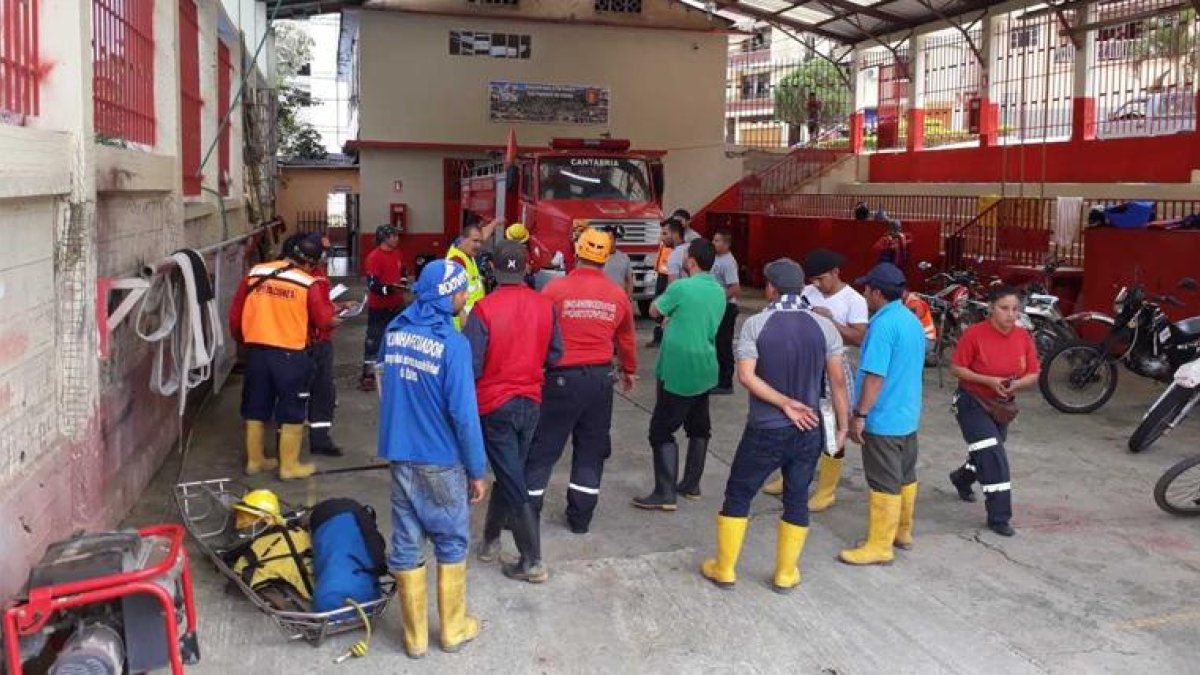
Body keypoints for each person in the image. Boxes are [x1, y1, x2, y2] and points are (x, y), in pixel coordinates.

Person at [700, 258, 850, 592]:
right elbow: (838, 383)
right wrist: (842, 427)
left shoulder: (756, 324)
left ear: (770, 288)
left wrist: (783, 403)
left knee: (739, 493)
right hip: (809, 428)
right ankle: (785, 573)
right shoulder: (825, 327)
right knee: (797, 497)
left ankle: (724, 569)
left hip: (765, 429)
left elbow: (746, 376)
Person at [377, 259, 488, 658]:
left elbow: (385, 382)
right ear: (448, 296)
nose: (465, 297)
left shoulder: (395, 331)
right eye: (462, 291)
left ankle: (415, 640)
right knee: (452, 541)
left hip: (400, 453)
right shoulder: (453, 345)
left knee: (407, 542)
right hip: (440, 458)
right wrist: (477, 469)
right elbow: (464, 415)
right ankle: (453, 630)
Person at [524, 227, 638, 536]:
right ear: (607, 257)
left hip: (560, 380)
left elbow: (537, 332)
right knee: (591, 448)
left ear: (576, 252)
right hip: (600, 381)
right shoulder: (617, 295)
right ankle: (580, 519)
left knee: (544, 447)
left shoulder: (554, 290)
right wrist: (629, 370)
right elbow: (626, 339)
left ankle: (526, 514)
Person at [464, 241, 562, 583]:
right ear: (526, 268)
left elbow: (471, 365)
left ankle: (532, 560)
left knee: (511, 478)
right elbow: (555, 354)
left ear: (492, 269)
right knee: (510, 474)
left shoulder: (483, 310)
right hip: (531, 402)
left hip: (495, 406)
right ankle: (491, 540)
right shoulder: (545, 306)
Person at [229, 235, 337, 480]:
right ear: (309, 263)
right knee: (292, 409)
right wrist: (336, 318)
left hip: (257, 352)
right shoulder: (307, 282)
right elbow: (323, 320)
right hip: (290, 355)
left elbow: (236, 315)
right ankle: (289, 467)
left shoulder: (256, 273)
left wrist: (244, 341)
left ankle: (255, 461)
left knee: (255, 408)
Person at [839, 262, 926, 566]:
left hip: (884, 417)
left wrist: (860, 414)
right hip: (908, 414)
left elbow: (875, 377)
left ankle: (879, 546)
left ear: (877, 293)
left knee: (883, 482)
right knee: (905, 475)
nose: (864, 294)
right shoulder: (911, 320)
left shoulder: (882, 326)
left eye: (866, 289)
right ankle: (903, 531)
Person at [762, 248, 866, 504]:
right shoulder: (807, 292)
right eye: (813, 280)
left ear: (836, 272)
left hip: (832, 368)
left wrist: (830, 321)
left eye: (821, 278)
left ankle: (826, 490)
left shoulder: (854, 299)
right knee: (797, 421)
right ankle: (789, 477)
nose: (817, 284)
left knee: (832, 428)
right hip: (803, 365)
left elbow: (859, 337)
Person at [633, 238, 727, 509]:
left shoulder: (681, 287)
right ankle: (691, 484)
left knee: (661, 430)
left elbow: (654, 310)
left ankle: (665, 493)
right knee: (699, 427)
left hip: (679, 366)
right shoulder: (719, 291)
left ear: (691, 261)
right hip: (705, 366)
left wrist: (667, 315)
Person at [948, 285, 1040, 537]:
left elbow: (1033, 373)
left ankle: (961, 478)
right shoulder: (974, 334)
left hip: (1002, 405)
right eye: (1004, 308)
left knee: (985, 453)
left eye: (1015, 309)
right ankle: (999, 517)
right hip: (972, 402)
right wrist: (988, 380)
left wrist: (1016, 385)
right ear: (990, 308)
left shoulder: (1023, 337)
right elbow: (956, 368)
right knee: (994, 456)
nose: (1011, 315)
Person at [302, 233, 357, 456]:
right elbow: (321, 317)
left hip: (317, 341)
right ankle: (313, 440)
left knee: (323, 393)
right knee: (315, 392)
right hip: (311, 343)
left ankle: (319, 438)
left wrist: (340, 306)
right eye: (323, 250)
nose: (327, 254)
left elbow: (322, 305)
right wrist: (333, 319)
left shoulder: (318, 275)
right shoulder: (309, 278)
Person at [360, 224, 406, 392]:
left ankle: (394, 371)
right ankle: (368, 375)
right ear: (385, 238)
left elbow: (402, 272)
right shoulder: (374, 257)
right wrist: (389, 289)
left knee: (398, 338)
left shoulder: (397, 253)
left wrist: (402, 283)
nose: (397, 239)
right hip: (379, 307)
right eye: (394, 236)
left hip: (397, 305)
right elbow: (373, 284)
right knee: (374, 339)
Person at [445, 219, 498, 330]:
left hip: (473, 320)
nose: (478, 245)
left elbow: (481, 234)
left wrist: (494, 223)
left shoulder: (466, 252)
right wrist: (467, 327)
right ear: (463, 239)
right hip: (463, 326)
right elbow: (453, 298)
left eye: (480, 242)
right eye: (475, 241)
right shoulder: (457, 262)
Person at [710, 229, 742, 394]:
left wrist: (718, 298)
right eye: (714, 240)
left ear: (726, 244)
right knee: (716, 344)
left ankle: (726, 382)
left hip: (726, 308)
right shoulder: (716, 259)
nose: (714, 243)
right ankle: (717, 379)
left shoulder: (728, 262)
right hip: (716, 307)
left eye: (717, 240)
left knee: (723, 345)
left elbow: (735, 288)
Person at [646, 219, 676, 348]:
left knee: (663, 306)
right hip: (661, 275)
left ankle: (662, 337)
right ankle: (658, 336)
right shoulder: (664, 241)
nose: (662, 235)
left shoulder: (674, 245)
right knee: (658, 304)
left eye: (664, 232)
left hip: (668, 276)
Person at [602, 225, 634, 298]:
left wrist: (628, 298)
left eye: (610, 238)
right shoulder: (597, 258)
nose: (607, 241)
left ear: (615, 239)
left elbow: (629, 280)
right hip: (603, 299)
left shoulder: (624, 258)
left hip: (619, 299)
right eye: (605, 238)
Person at [664, 218, 697, 283]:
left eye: (665, 234)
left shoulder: (674, 255)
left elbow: (673, 285)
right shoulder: (692, 247)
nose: (662, 238)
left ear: (675, 234)